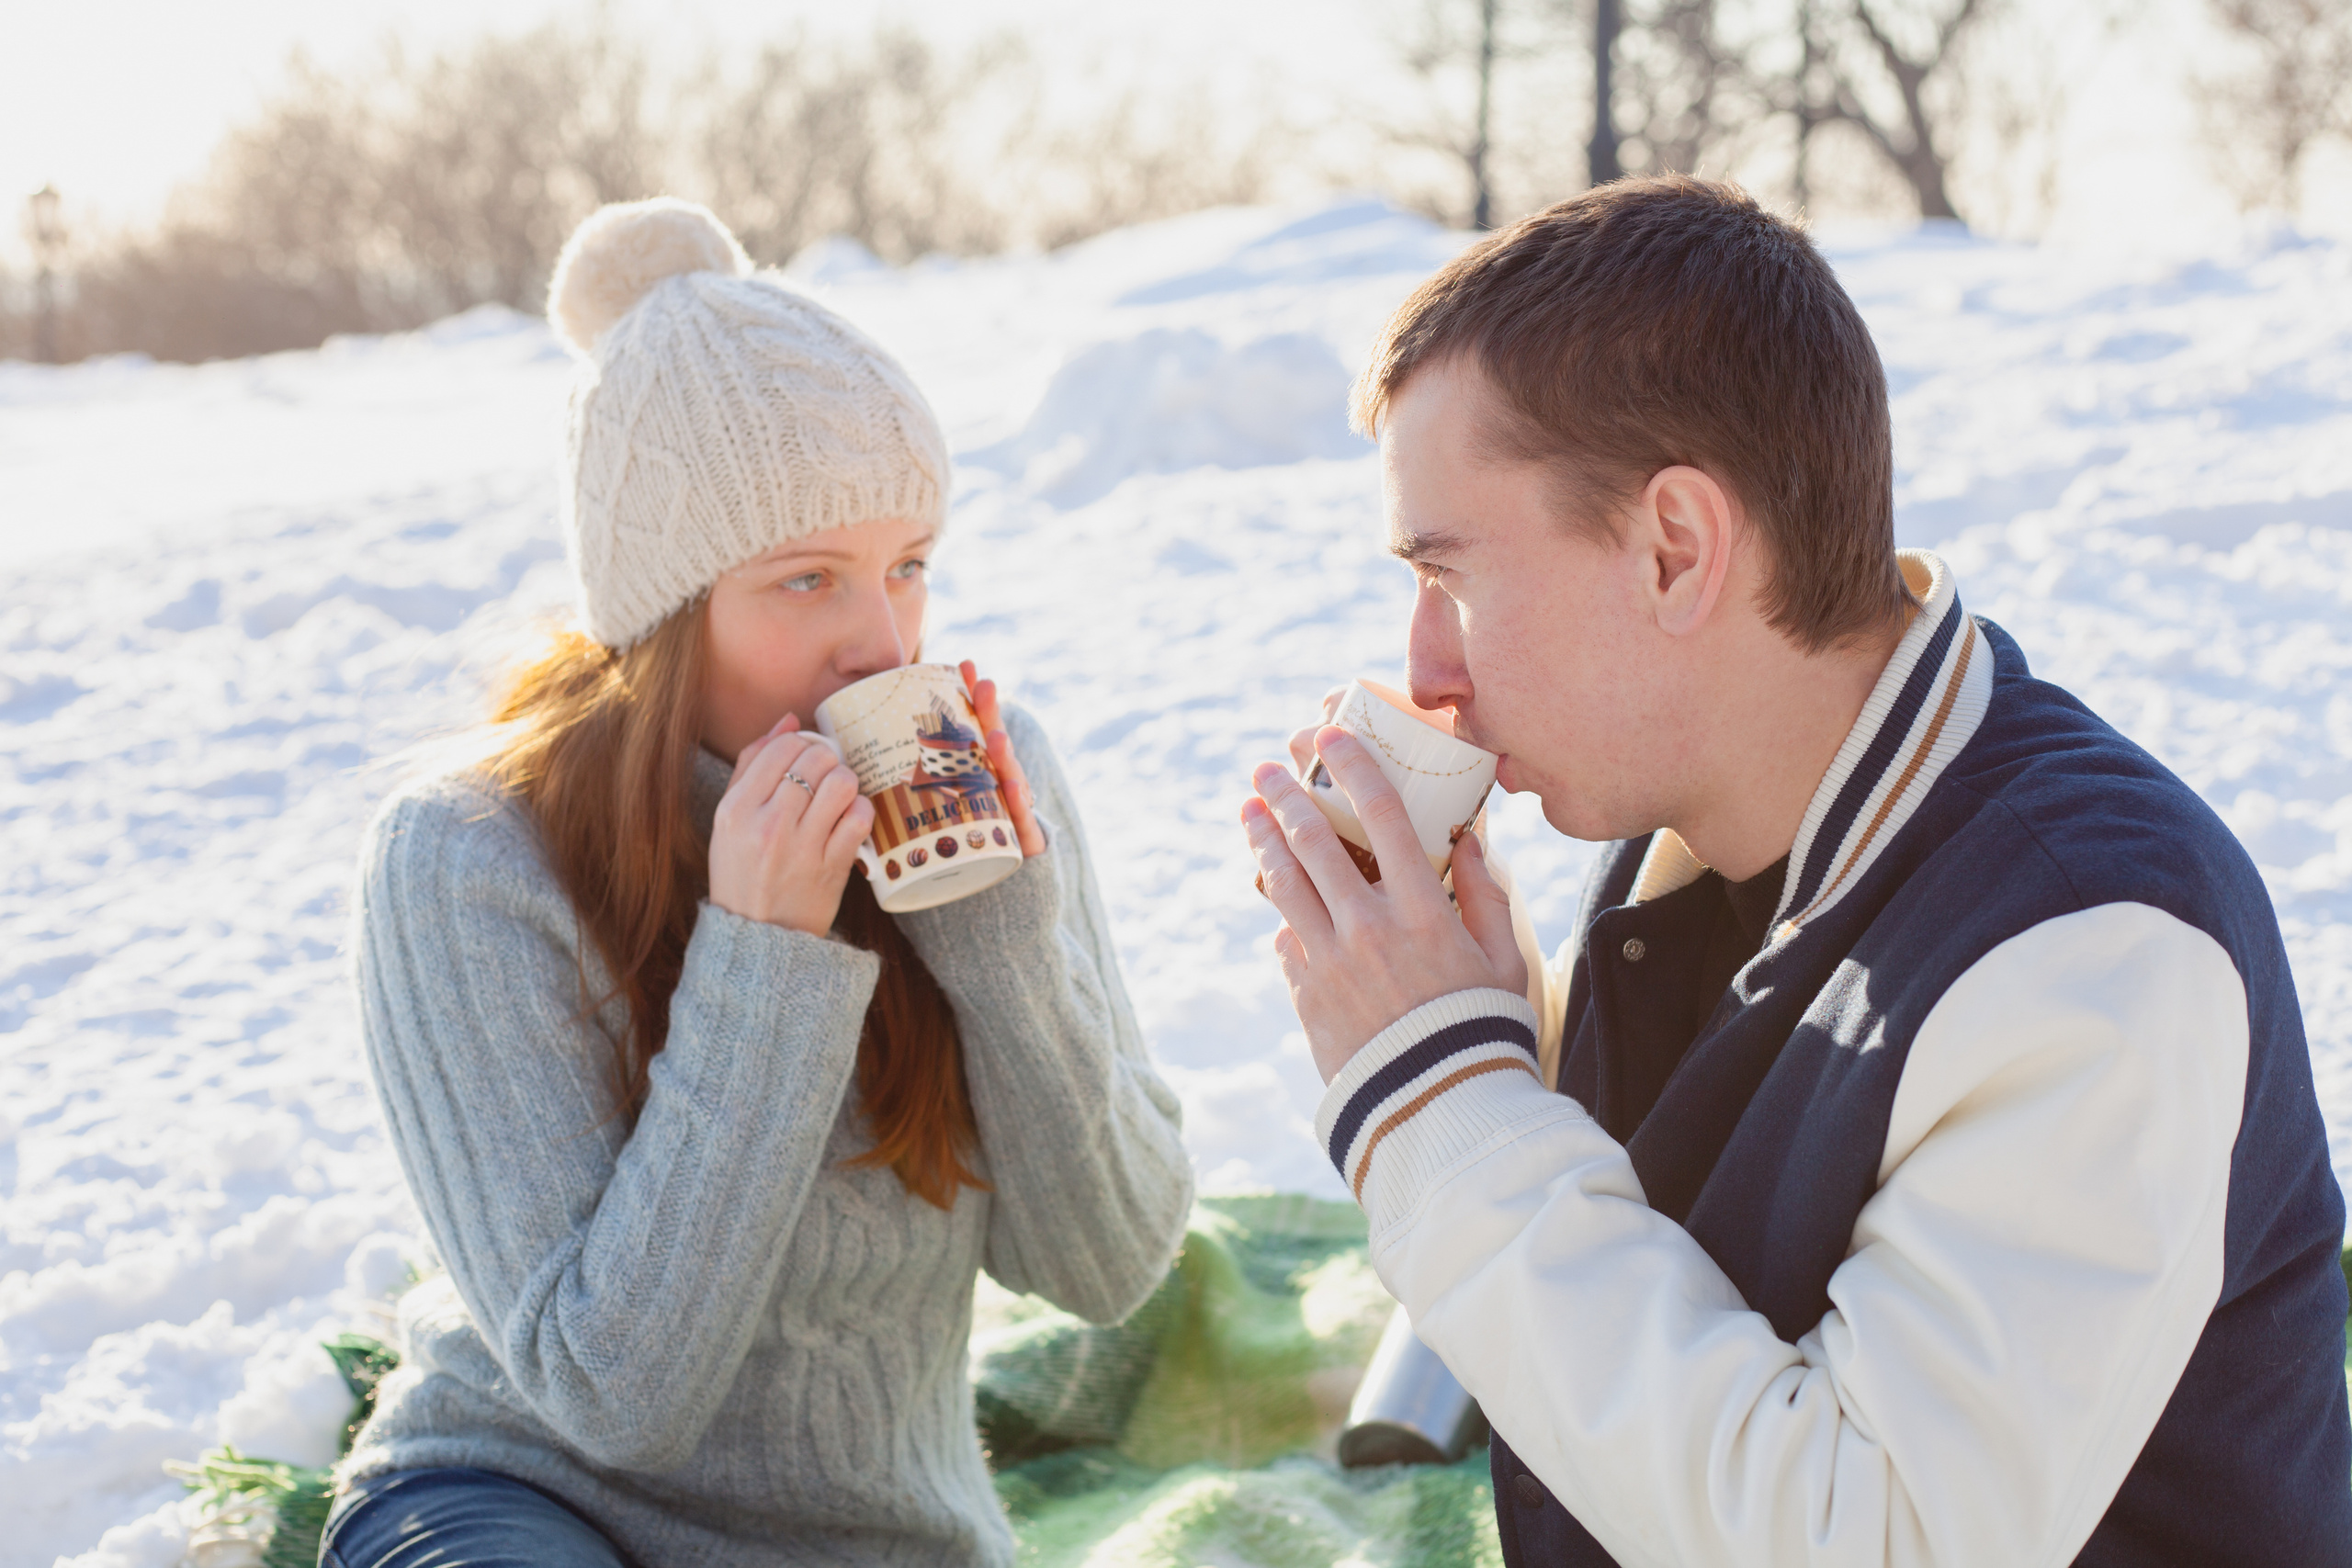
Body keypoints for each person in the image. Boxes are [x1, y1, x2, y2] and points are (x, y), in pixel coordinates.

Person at [1243, 175, 2351, 1565]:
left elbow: (1868, 1538)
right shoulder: (1695, 841)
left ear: (1676, 549)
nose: (1426, 669)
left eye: (1451, 577)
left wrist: (1447, 1107)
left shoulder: (2097, 947)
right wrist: (1499, 1030)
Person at [327, 198, 1193, 1568]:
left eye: (909, 565)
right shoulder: (466, 855)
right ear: (664, 612)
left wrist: (1004, 945)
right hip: (529, 1498)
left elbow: (1106, 1266)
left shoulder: (989, 765)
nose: (882, 640)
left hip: (879, 1541)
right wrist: (764, 960)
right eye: (807, 580)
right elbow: (610, 1394)